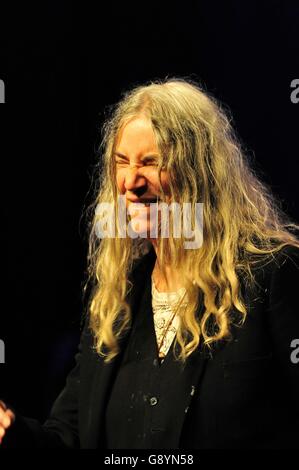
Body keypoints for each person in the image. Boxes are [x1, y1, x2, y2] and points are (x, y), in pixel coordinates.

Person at [1, 78, 299, 449]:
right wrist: (11, 435)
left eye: (151, 163)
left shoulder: (271, 274)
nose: (130, 182)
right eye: (122, 162)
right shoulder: (118, 300)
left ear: (199, 173)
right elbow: (68, 438)